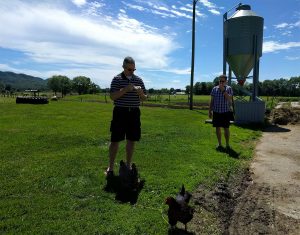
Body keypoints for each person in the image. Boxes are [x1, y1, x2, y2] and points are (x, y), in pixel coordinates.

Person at [106, 56, 147, 176]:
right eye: (129, 69)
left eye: (134, 69)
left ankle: (129, 166)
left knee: (131, 140)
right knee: (115, 140)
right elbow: (112, 96)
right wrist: (125, 89)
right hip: (120, 112)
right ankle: (111, 168)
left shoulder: (138, 80)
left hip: (134, 113)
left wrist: (140, 93)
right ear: (123, 67)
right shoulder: (117, 79)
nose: (132, 72)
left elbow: (145, 97)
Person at [209, 74, 233, 150]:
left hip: (225, 112)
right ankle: (219, 143)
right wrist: (210, 111)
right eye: (220, 81)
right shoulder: (214, 89)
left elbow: (229, 99)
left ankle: (227, 144)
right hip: (216, 112)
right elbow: (212, 101)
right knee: (217, 128)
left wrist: (223, 90)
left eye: (223, 81)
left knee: (226, 128)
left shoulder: (229, 88)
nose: (221, 82)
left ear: (226, 81)